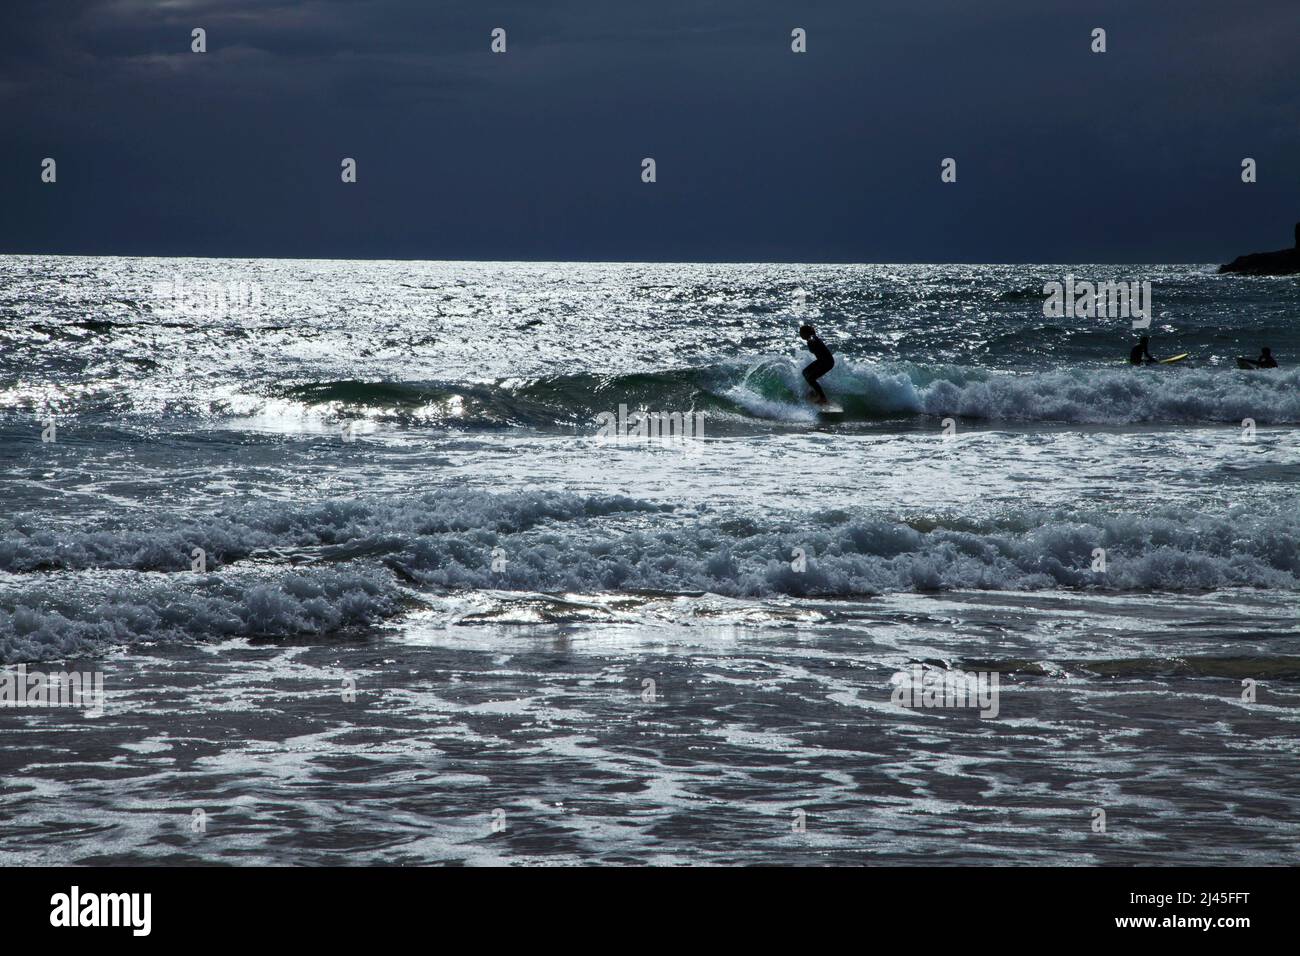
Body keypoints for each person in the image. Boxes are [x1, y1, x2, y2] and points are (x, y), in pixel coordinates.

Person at [799, 324, 834, 404]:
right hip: (822, 361)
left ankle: (823, 398)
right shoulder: (810, 338)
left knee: (811, 378)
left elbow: (813, 339)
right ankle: (815, 392)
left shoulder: (812, 338)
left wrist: (811, 340)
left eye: (801, 332)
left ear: (806, 333)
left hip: (827, 362)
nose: (800, 334)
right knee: (805, 372)